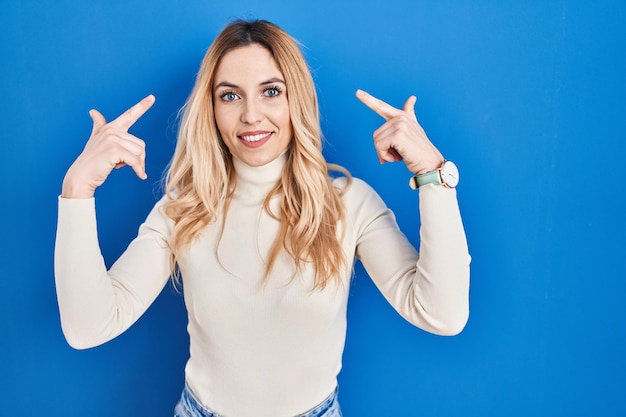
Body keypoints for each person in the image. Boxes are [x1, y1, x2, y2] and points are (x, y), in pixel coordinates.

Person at [54, 19, 470, 417]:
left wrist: (433, 175)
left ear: (296, 100)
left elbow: (442, 314)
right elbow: (88, 327)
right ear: (211, 109)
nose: (251, 115)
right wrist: (77, 190)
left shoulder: (349, 204)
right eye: (230, 96)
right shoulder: (183, 208)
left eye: (271, 91)